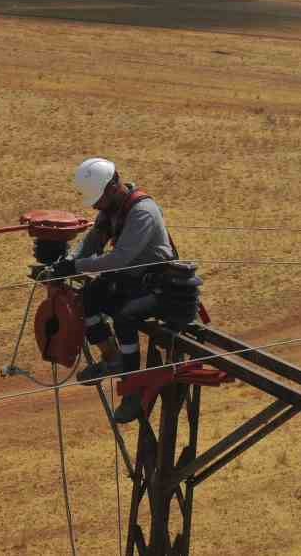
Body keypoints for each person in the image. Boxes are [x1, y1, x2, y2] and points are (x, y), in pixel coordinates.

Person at [43, 157, 202, 422]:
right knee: (90, 298)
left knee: (125, 317)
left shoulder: (142, 212)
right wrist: (68, 262)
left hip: (161, 288)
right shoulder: (111, 210)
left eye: (98, 200)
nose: (95, 206)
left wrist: (76, 267)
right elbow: (92, 242)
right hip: (133, 281)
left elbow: (120, 258)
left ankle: (133, 388)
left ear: (112, 187)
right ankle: (112, 357)